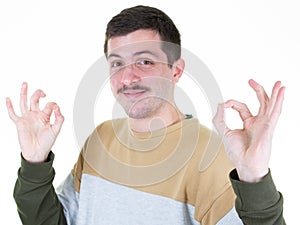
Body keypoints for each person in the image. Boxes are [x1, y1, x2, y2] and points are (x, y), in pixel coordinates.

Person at [6, 5, 285, 225]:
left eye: (145, 61)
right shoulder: (102, 137)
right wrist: (34, 163)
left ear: (175, 71)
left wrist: (254, 179)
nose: (127, 77)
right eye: (117, 63)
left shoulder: (210, 156)